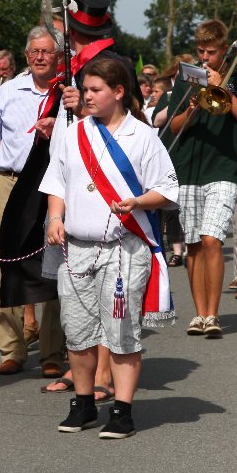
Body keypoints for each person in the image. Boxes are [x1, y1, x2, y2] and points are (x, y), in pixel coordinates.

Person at [42, 58, 179, 438]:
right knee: (77, 329)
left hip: (125, 248)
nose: (86, 96)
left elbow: (167, 188)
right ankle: (84, 404)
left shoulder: (144, 136)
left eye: (95, 90)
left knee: (121, 330)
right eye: (85, 89)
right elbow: (57, 182)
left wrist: (137, 202)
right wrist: (55, 218)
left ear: (118, 92)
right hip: (76, 248)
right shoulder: (73, 133)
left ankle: (122, 410)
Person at [0, 26, 67, 379]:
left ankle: (53, 351)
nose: (39, 57)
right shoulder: (9, 91)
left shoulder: (67, 93)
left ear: (58, 57)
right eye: (33, 52)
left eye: (46, 52)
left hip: (55, 185)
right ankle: (12, 348)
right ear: (25, 56)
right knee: (8, 263)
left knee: (56, 265)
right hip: (10, 184)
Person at [159, 19, 237, 338]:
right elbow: (173, 126)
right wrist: (191, 108)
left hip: (224, 168)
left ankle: (213, 315)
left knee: (213, 238)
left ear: (223, 51)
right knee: (193, 244)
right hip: (188, 167)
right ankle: (198, 314)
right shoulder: (187, 75)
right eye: (201, 51)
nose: (205, 57)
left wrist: (223, 88)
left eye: (211, 52)